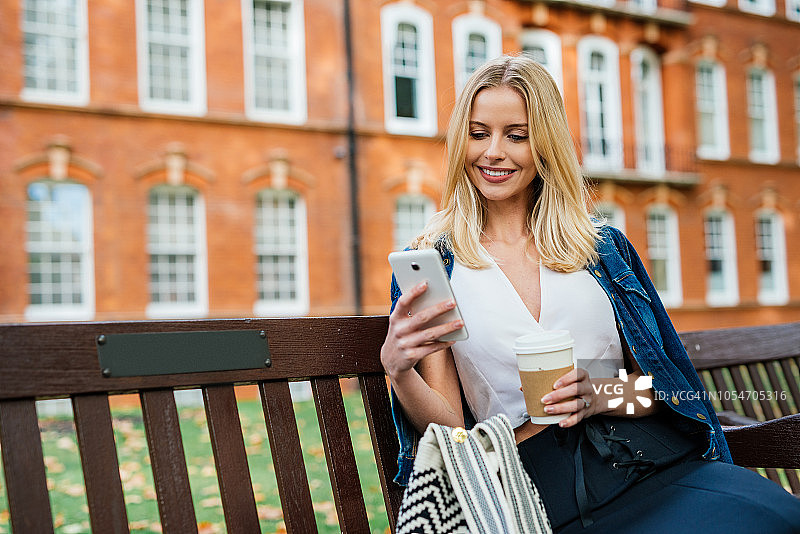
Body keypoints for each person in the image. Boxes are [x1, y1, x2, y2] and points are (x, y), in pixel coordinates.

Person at [380, 55, 800, 533]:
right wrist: (399, 371)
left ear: (546, 144)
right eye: (478, 134)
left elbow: (656, 391)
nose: (493, 152)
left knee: (781, 517)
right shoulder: (438, 262)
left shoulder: (599, 248)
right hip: (538, 485)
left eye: (517, 135)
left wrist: (598, 393)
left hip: (645, 455)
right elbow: (453, 428)